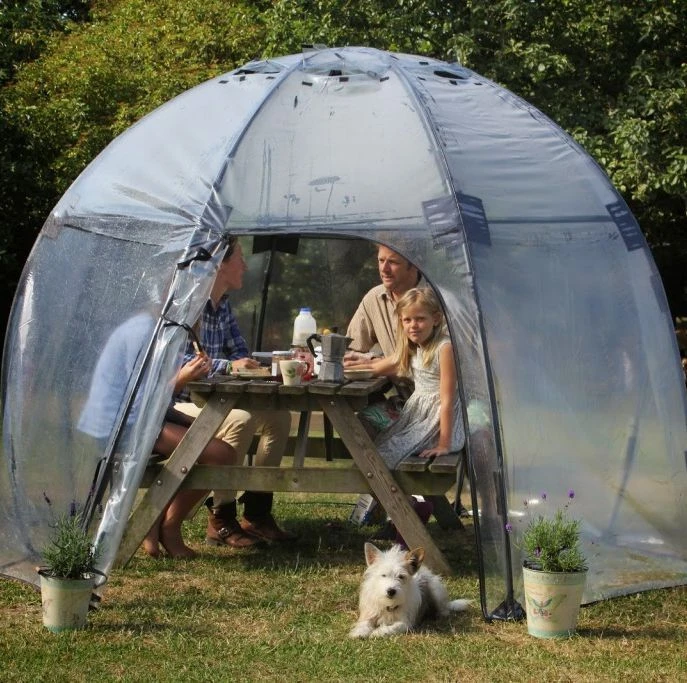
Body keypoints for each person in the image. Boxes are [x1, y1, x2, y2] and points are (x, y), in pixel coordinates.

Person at [77, 310, 236, 560]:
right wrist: (182, 378)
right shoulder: (143, 333)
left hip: (137, 419)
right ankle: (166, 527)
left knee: (206, 433)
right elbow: (141, 402)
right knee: (221, 455)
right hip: (117, 426)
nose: (199, 320)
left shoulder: (159, 329)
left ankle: (153, 522)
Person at [173, 236, 296, 547]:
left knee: (279, 418)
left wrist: (252, 364)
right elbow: (180, 360)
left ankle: (257, 512)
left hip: (215, 401)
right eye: (240, 258)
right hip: (180, 404)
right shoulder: (188, 305)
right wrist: (230, 366)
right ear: (220, 265)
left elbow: (239, 352)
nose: (245, 265)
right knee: (240, 419)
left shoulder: (223, 305)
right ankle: (221, 518)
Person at [350, 287, 466, 545]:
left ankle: (406, 516)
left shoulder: (444, 348)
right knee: (371, 451)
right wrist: (351, 364)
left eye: (420, 319)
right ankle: (408, 509)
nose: (413, 325)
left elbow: (447, 400)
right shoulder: (414, 347)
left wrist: (444, 444)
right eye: (407, 320)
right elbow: (380, 365)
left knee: (379, 459)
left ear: (436, 318)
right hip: (417, 415)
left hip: (437, 422)